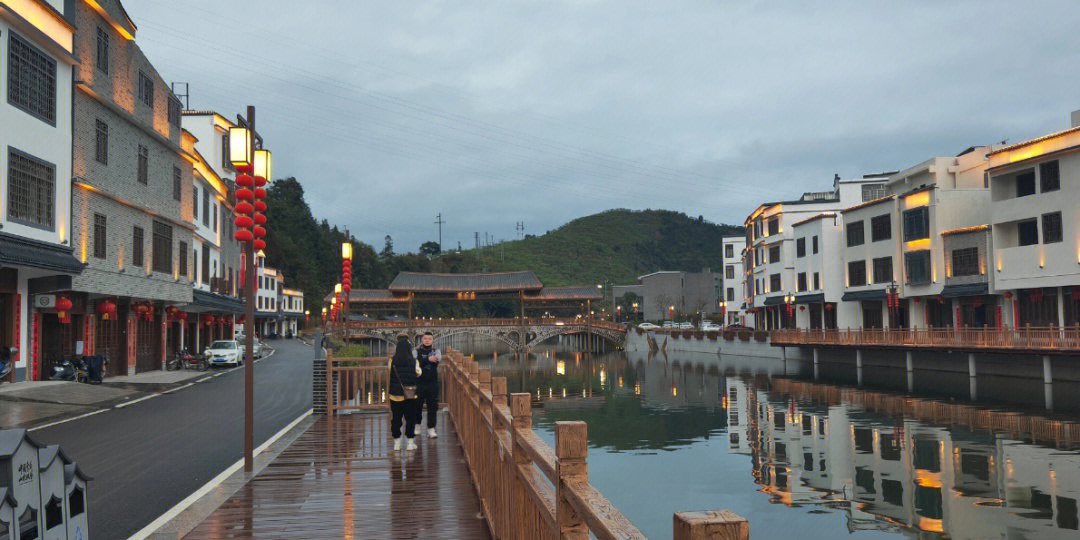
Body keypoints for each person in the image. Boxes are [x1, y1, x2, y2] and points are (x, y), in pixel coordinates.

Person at [388, 332, 422, 451]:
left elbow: (389, 372)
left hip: (395, 395)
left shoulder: (391, 361)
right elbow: (419, 373)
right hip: (410, 395)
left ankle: (397, 443)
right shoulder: (414, 361)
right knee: (410, 418)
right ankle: (410, 442)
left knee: (396, 418)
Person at [415, 332, 442, 438]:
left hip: (432, 383)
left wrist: (424, 361)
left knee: (432, 406)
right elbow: (414, 362)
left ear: (432, 340)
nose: (427, 340)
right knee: (417, 405)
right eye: (425, 338)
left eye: (429, 339)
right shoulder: (416, 351)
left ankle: (431, 428)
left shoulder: (436, 350)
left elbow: (437, 359)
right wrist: (427, 359)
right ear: (422, 340)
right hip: (419, 382)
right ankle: (417, 426)